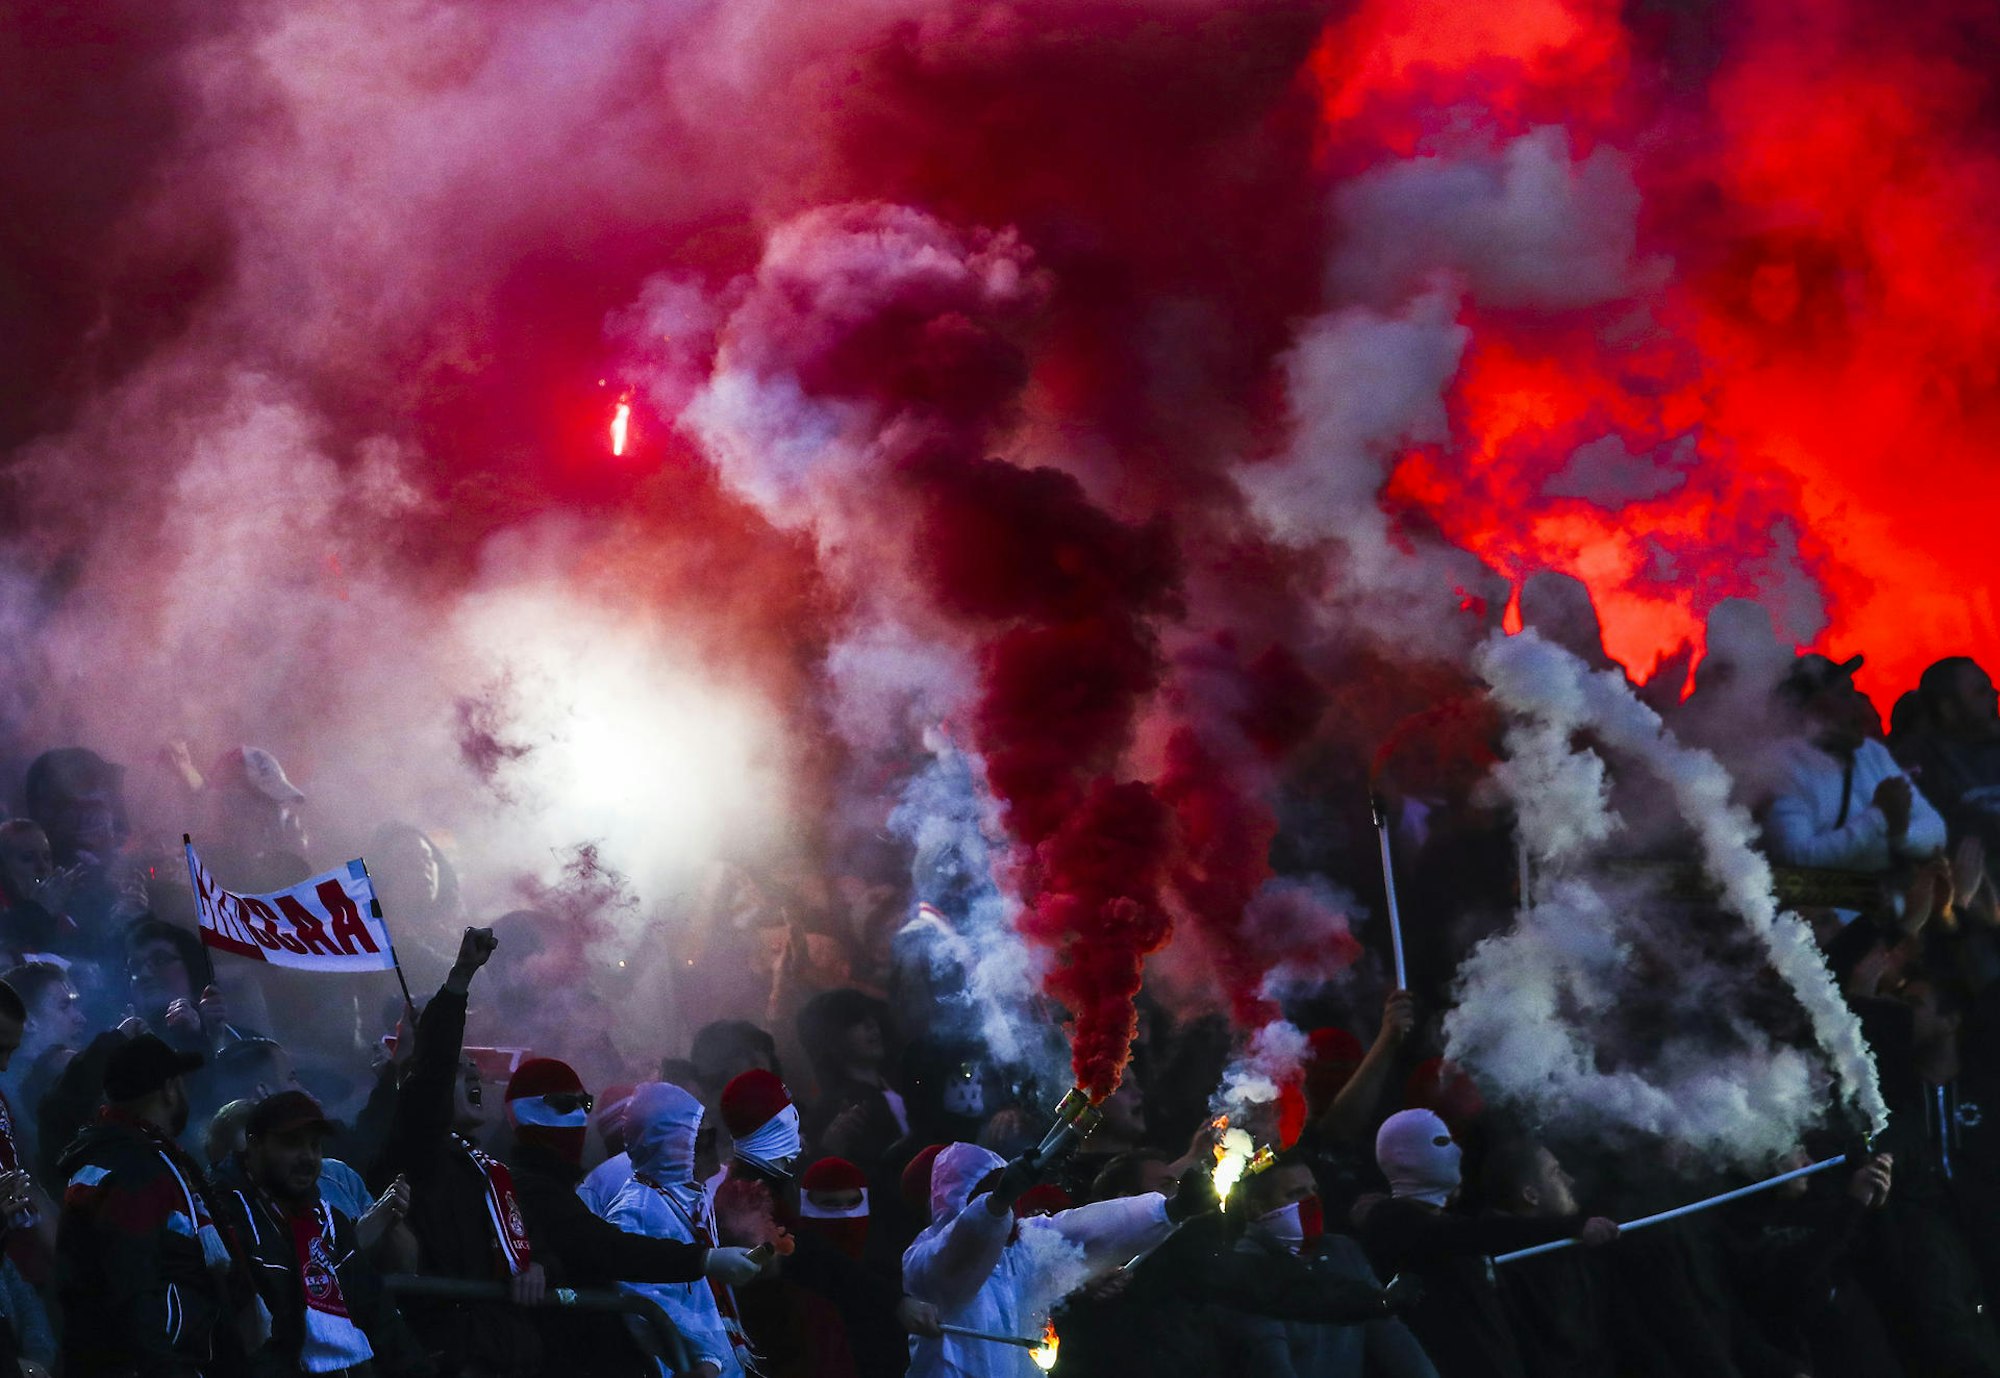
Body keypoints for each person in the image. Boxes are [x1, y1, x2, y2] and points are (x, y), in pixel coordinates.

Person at [499, 1058, 760, 1378]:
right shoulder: (627, 1203)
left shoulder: (686, 1197)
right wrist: (704, 1260)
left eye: (586, 1103)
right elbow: (611, 1257)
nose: (580, 1114)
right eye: (566, 1104)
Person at [372, 927, 545, 1378]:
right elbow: (430, 1078)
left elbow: (540, 1240)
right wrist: (459, 981)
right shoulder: (419, 1156)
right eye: (460, 1067)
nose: (473, 1073)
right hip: (454, 1358)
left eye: (476, 1068)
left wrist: (543, 1267)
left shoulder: (490, 1170)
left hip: (508, 1352)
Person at [1353, 1109, 1617, 1378]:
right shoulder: (1394, 1223)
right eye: (1441, 1143)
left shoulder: (1441, 1223)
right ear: (1402, 1157)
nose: (1455, 1152)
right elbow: (1472, 1234)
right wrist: (1570, 1226)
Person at [902, 1141, 1178, 1378]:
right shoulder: (925, 1258)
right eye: (989, 1192)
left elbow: (1088, 1228)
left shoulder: (1022, 1248)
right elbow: (960, 1251)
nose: (1009, 1207)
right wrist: (995, 1205)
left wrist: (1168, 1210)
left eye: (1006, 1192)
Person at [55, 1033, 243, 1377]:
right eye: (181, 1083)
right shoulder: (134, 1171)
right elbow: (133, 1290)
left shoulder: (129, 1159)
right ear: (170, 1089)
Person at [212, 1089, 427, 1378]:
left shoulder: (330, 1223)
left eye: (315, 1146)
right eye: (292, 1143)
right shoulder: (220, 1216)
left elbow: (380, 1317)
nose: (308, 1157)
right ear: (254, 1144)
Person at [1211, 1157, 1437, 1378]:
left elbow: (1391, 1335)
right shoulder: (1246, 1270)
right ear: (1258, 1209)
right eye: (1296, 1193)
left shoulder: (1341, 1251)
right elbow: (1269, 1360)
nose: (1311, 1201)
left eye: (1313, 1190)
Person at [603, 1081, 756, 1378]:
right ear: (673, 1144)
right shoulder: (636, 1210)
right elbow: (645, 1302)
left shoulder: (686, 1195)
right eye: (702, 1138)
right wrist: (706, 1359)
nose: (714, 1145)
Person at [1763, 653, 1947, 877]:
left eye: (1852, 691)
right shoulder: (1781, 766)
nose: (1857, 706)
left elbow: (1936, 830)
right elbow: (1795, 856)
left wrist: (1900, 834)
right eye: (1843, 695)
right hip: (1826, 912)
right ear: (1807, 710)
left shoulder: (1872, 753)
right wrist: (1879, 817)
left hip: (1887, 907)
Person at [1481, 1139, 1616, 1378]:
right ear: (1531, 1195)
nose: (1569, 1180)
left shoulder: (1567, 1246)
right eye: (1555, 1172)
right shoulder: (1513, 1271)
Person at [1904, 657, 2000, 852]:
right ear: (1949, 709)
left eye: (1991, 687)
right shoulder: (1921, 760)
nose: (1995, 694)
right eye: (1980, 691)